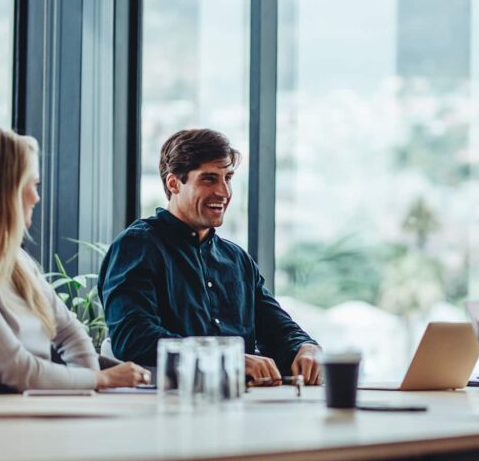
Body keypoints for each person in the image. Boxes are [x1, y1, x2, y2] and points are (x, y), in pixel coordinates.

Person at [0, 127, 148, 391]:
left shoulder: (14, 261)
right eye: (33, 185)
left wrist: (88, 386)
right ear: (6, 193)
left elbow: (68, 330)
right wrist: (101, 379)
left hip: (29, 408)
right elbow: (16, 370)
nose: (37, 197)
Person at [99, 128, 321, 385]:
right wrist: (227, 358)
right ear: (174, 184)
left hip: (243, 406)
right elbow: (134, 338)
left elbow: (277, 327)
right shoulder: (137, 246)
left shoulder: (236, 259)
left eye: (228, 178)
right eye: (209, 179)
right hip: (166, 408)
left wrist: (305, 347)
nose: (224, 192)